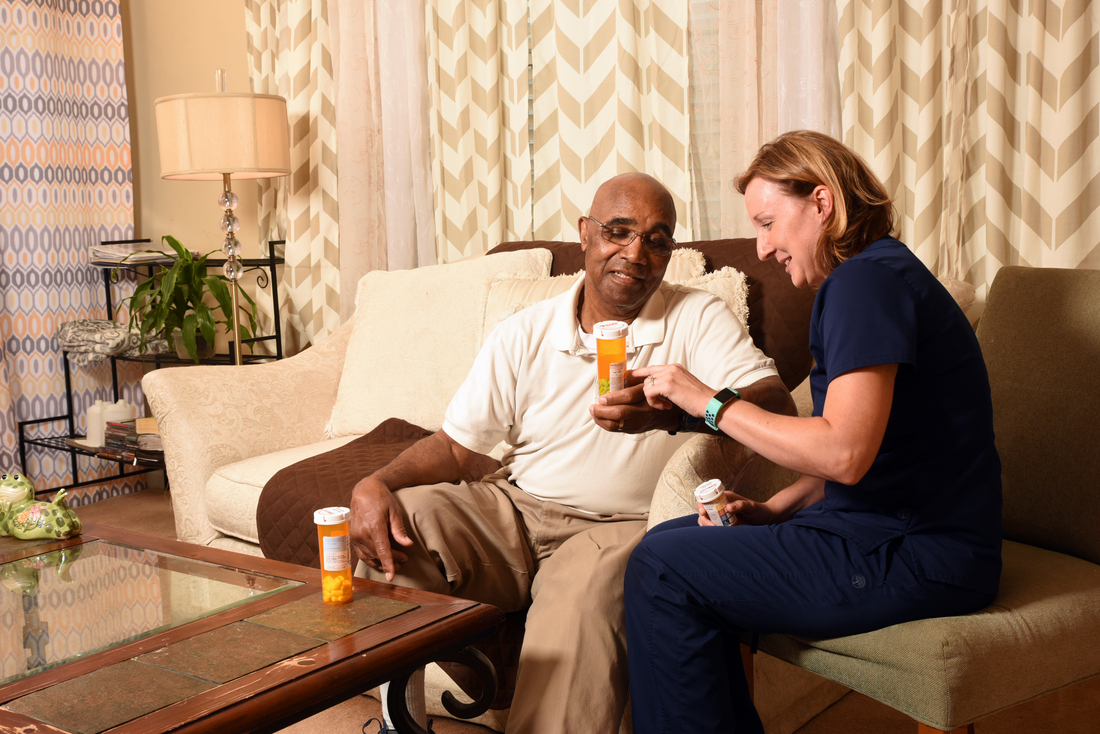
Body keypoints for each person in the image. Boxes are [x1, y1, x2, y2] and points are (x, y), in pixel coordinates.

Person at [348, 172, 794, 734]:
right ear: (585, 233)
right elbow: (458, 451)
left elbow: (776, 405)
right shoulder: (524, 332)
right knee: (402, 525)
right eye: (618, 231)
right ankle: (402, 720)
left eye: (657, 239)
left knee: (579, 607)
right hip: (515, 508)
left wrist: (676, 411)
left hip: (620, 525)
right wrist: (376, 484)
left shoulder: (697, 316)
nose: (635, 253)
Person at [624, 131, 1003, 733]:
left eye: (769, 223)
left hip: (917, 553)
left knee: (664, 567)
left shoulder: (863, 285)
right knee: (676, 542)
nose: (763, 247)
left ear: (822, 204)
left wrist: (708, 401)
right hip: (905, 537)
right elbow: (877, 452)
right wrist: (775, 509)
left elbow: (845, 454)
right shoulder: (878, 275)